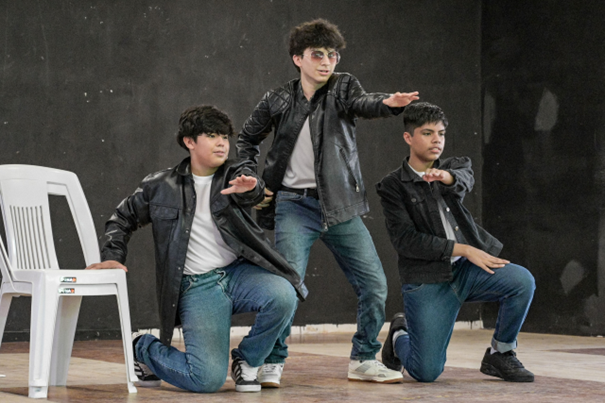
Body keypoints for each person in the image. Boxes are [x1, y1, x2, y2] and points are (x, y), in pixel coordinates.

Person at [236, 18, 419, 386]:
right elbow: (246, 139)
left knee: (374, 284)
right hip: (293, 205)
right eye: (317, 54)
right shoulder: (278, 99)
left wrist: (389, 104)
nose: (326, 62)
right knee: (286, 287)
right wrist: (252, 178)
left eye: (332, 55)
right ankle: (272, 359)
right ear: (298, 58)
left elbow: (364, 103)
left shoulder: (343, 87)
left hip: (340, 206)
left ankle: (363, 358)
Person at [86, 105, 308, 393]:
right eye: (212, 136)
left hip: (237, 276)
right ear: (189, 141)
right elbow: (122, 218)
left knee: (284, 294)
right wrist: (112, 257)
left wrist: (252, 188)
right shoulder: (160, 186)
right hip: (197, 286)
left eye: (225, 137)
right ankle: (141, 347)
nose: (222, 143)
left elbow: (251, 188)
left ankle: (247, 361)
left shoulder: (234, 175)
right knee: (206, 380)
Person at [376, 102, 536, 383]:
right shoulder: (393, 185)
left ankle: (501, 353)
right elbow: (406, 241)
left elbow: (464, 179)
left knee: (522, 281)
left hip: (466, 271)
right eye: (427, 133)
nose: (436, 140)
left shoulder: (453, 167)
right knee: (426, 372)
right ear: (408, 137)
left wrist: (445, 177)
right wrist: (464, 249)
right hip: (428, 280)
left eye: (441, 133)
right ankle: (400, 333)